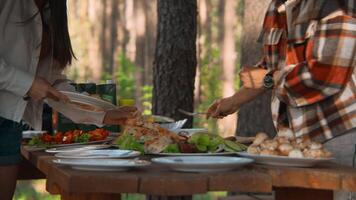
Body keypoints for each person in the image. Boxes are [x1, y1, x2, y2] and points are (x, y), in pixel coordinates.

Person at [207, 0, 355, 198]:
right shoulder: (276, 7)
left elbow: (325, 77)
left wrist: (268, 79)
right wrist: (232, 102)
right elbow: (269, 66)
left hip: (337, 131)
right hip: (293, 137)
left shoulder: (335, 5)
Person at [0, 0, 137, 199]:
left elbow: (53, 83)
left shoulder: (53, 10)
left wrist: (102, 114)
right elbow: (36, 84)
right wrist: (28, 84)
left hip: (10, 123)